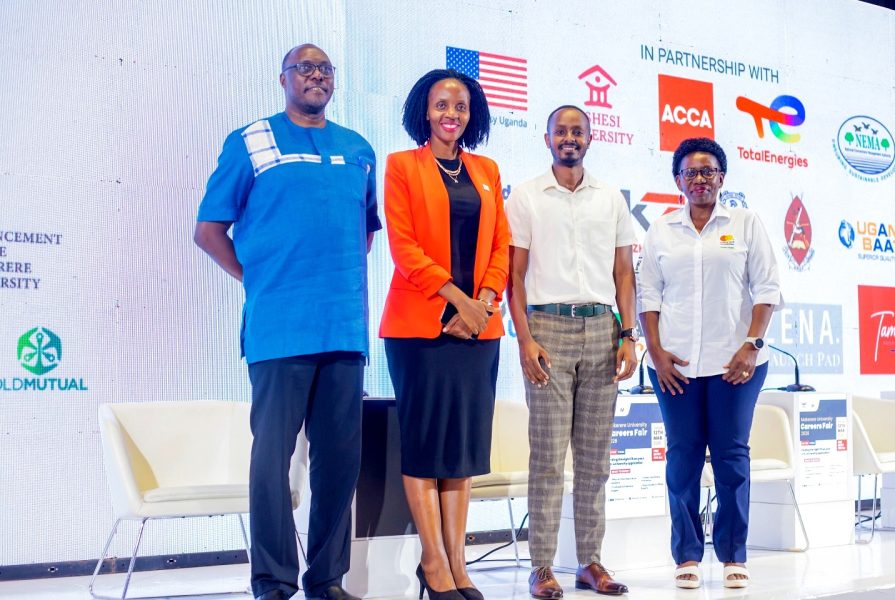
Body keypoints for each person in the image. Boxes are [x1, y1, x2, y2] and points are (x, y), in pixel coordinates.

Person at [194, 44, 378, 600]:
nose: (316, 76)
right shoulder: (250, 140)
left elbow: (364, 234)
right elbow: (208, 231)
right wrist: (258, 279)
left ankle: (327, 580)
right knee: (271, 462)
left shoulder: (359, 149)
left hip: (343, 329)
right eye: (305, 68)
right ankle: (272, 582)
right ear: (283, 79)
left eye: (325, 69)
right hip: (279, 330)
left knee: (338, 464)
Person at [379, 68, 510, 600]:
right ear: (424, 111)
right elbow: (404, 248)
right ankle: (432, 562)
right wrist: (459, 299)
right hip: (420, 327)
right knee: (426, 445)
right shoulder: (402, 166)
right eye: (441, 105)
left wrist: (484, 304)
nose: (451, 114)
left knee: (462, 450)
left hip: (478, 330)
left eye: (460, 106)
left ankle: (458, 564)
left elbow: (501, 245)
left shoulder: (486, 170)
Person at [637, 137, 782, 590]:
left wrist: (752, 345)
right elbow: (648, 295)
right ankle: (687, 554)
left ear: (722, 177)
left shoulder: (746, 223)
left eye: (708, 171)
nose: (699, 179)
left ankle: (734, 554)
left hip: (735, 363)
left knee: (731, 456)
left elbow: (767, 288)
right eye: (690, 172)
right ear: (677, 180)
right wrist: (655, 352)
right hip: (675, 365)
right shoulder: (661, 230)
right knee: (682, 456)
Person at [506, 105, 636, 599]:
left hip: (603, 329)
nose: (569, 138)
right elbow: (514, 276)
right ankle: (541, 566)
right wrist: (525, 338)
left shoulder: (611, 198)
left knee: (595, 459)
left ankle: (590, 562)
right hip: (547, 329)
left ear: (590, 137)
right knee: (547, 457)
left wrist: (628, 336)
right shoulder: (526, 196)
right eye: (560, 131)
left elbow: (624, 273)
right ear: (547, 139)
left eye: (577, 131)